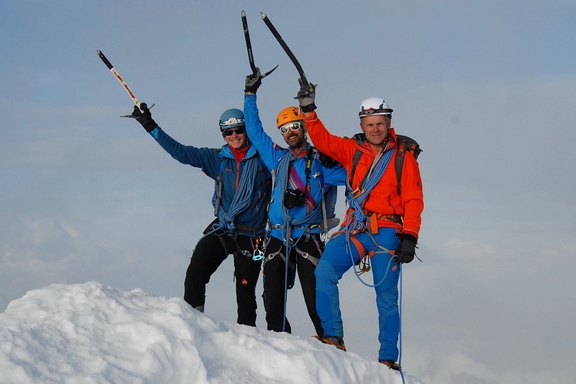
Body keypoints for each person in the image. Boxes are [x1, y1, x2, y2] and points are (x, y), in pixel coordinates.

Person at [295, 82, 424, 370]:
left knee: (386, 296)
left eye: (380, 123)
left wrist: (410, 236)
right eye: (369, 124)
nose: (375, 129)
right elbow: (323, 140)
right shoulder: (352, 150)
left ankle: (388, 359)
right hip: (356, 229)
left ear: (388, 123)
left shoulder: (403, 157)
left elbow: (414, 199)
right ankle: (333, 337)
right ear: (362, 125)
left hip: (388, 231)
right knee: (325, 270)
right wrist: (308, 110)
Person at [130, 103, 271, 326]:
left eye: (238, 130)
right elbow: (181, 152)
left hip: (253, 235)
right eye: (228, 132)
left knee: (245, 289)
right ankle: (193, 323)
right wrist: (150, 126)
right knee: (196, 268)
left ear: (246, 130)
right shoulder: (216, 158)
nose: (234, 136)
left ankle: (248, 337)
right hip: (225, 227)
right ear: (223, 134)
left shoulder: (264, 159)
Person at [243, 71, 346, 338]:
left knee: (316, 298)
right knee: (272, 297)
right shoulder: (277, 158)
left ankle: (330, 342)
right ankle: (279, 341)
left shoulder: (321, 164)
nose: (290, 133)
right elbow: (254, 131)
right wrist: (250, 94)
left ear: (303, 127)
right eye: (285, 129)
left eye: (294, 127)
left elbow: (354, 174)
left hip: (308, 236)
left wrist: (338, 157)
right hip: (278, 235)